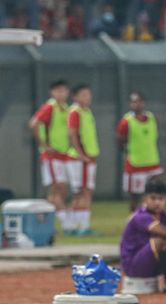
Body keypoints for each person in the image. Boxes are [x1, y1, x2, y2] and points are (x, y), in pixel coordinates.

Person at [29, 79, 73, 232]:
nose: (62, 93)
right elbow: (34, 123)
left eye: (64, 90)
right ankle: (66, 223)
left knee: (62, 189)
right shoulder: (50, 107)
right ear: (52, 93)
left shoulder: (67, 109)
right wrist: (44, 145)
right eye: (58, 91)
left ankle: (49, 221)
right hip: (52, 156)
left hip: (64, 154)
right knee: (57, 187)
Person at [117, 91, 163, 212]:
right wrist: (129, 153)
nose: (136, 104)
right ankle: (135, 222)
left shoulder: (153, 118)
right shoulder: (126, 121)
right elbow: (120, 141)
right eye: (133, 102)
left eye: (139, 101)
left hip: (153, 162)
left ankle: (156, 220)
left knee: (158, 192)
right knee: (135, 197)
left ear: (143, 103)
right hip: (135, 164)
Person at [67, 84, 99, 236]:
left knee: (84, 191)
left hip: (90, 157)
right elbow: (72, 134)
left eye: (89, 94)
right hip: (81, 159)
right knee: (83, 192)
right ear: (76, 97)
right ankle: (81, 227)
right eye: (84, 95)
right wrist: (81, 154)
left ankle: (75, 226)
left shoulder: (87, 112)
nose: (88, 97)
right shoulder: (75, 112)